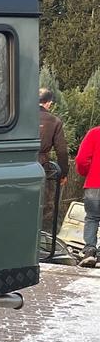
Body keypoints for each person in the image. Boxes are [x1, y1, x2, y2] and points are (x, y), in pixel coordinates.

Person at [39, 89, 70, 232]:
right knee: (46, 204)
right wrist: (63, 173)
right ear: (49, 103)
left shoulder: (22, 117)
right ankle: (44, 236)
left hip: (18, 162)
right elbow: (61, 150)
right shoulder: (54, 121)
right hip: (42, 164)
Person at [76, 123, 100, 267]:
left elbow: (81, 159)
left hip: (94, 183)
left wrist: (86, 172)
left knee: (91, 218)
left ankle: (89, 251)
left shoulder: (94, 133)